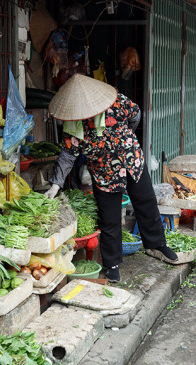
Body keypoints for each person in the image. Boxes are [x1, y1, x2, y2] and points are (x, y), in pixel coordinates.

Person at [44, 74, 178, 283]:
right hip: (103, 172)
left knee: (146, 202)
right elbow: (69, 154)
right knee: (110, 218)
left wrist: (124, 140)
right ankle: (113, 263)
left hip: (131, 160)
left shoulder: (118, 102)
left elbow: (135, 115)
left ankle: (157, 245)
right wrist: (55, 185)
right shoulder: (75, 126)